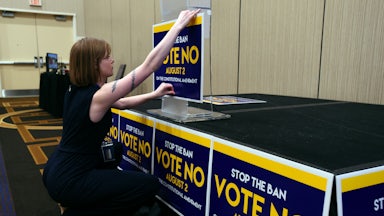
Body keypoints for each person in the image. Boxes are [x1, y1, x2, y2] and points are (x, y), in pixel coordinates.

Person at [42, 9, 200, 216]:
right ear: (94, 64)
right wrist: (178, 26)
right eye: (107, 57)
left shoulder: (78, 91)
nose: (112, 60)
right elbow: (150, 65)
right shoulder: (100, 95)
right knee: (149, 185)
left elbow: (122, 103)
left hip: (55, 169)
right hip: (69, 179)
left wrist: (154, 94)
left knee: (114, 150)